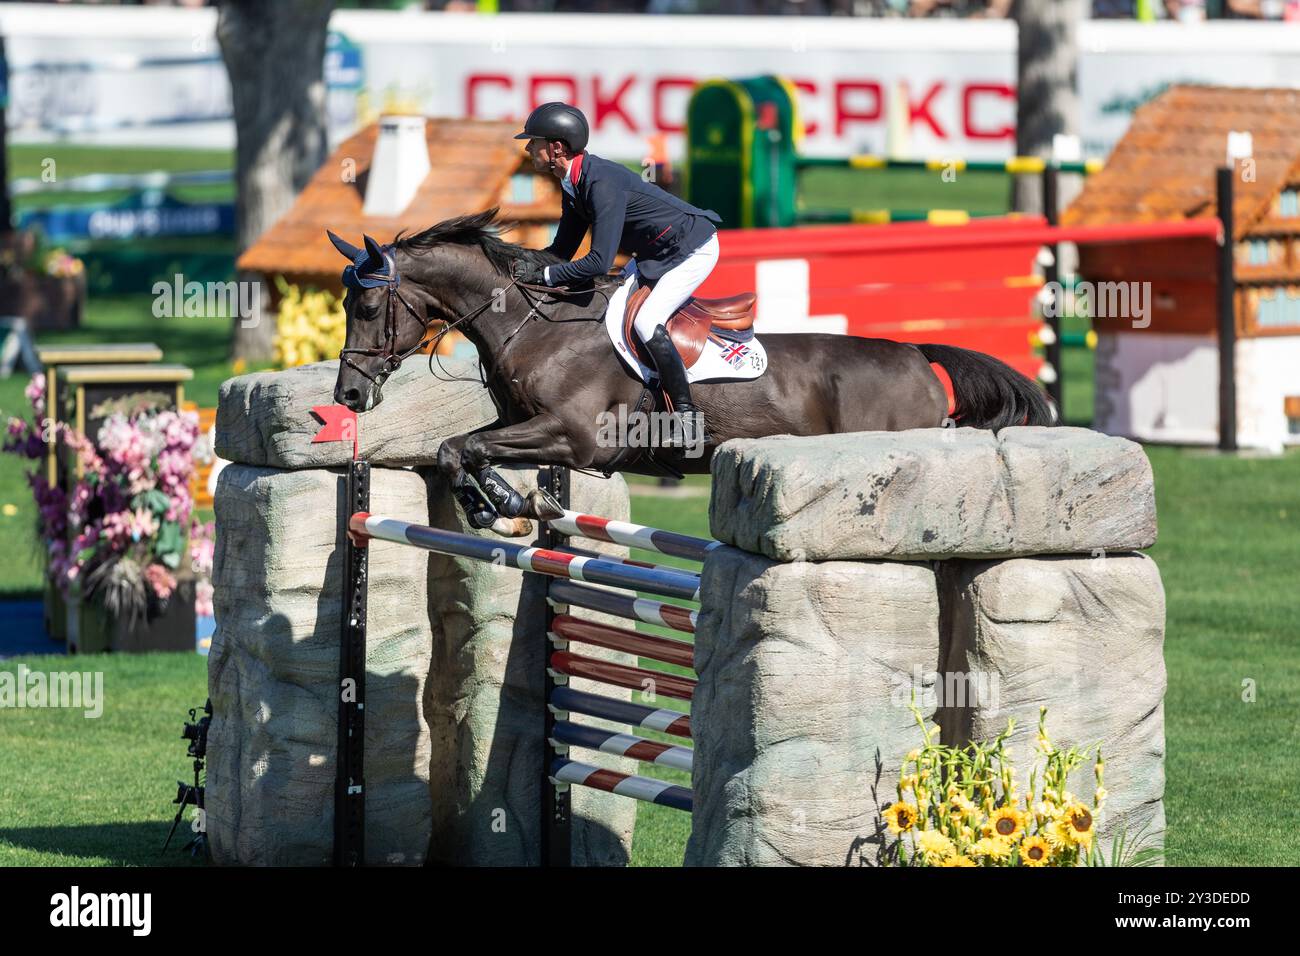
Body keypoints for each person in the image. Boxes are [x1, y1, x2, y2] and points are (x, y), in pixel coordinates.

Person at [513, 102, 721, 449]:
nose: (527, 148)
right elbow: (561, 251)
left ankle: (687, 420)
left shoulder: (600, 183)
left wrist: (546, 275)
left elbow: (596, 263)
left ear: (556, 148)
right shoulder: (573, 182)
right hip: (656, 252)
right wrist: (522, 267)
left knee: (646, 320)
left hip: (692, 248)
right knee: (608, 309)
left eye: (533, 141)